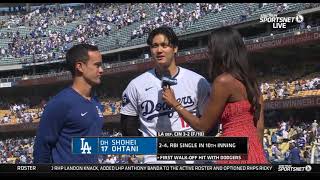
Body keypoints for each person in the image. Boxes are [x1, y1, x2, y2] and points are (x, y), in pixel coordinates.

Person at [162, 26, 268, 164]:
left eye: (211, 47)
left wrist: (175, 103)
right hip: (256, 153)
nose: (208, 52)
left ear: (219, 51)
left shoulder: (223, 82)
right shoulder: (251, 82)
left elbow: (202, 127)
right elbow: (259, 128)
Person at [120, 26, 211, 164]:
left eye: (164, 45)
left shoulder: (198, 81)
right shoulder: (136, 85)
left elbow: (209, 125)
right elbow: (128, 129)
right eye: (154, 46)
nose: (159, 50)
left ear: (175, 48)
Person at [33, 44, 104, 163]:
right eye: (97, 65)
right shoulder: (61, 103)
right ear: (80, 67)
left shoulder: (96, 101)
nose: (101, 70)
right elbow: (41, 149)